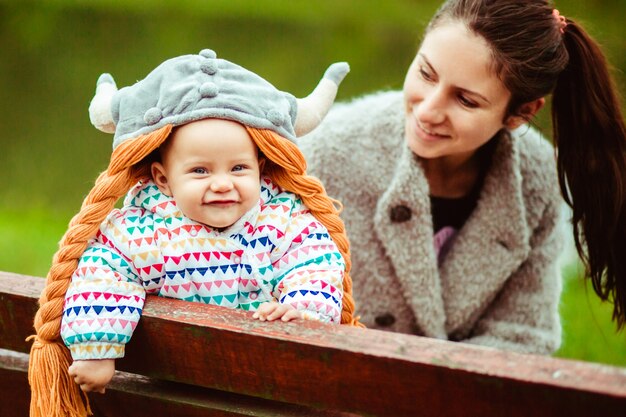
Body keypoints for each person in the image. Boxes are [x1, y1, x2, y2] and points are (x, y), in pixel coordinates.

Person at [28, 49, 360, 417]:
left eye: (238, 168)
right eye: (200, 171)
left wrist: (303, 307)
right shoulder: (147, 229)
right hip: (175, 397)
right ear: (163, 179)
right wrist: (98, 346)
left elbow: (313, 261)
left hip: (269, 392)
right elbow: (103, 272)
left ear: (261, 168)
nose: (222, 184)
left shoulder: (281, 219)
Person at [299, 0, 626, 354]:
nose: (428, 111)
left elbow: (521, 336)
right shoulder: (325, 152)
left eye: (466, 100)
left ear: (521, 113)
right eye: (426, 73)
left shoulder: (536, 179)